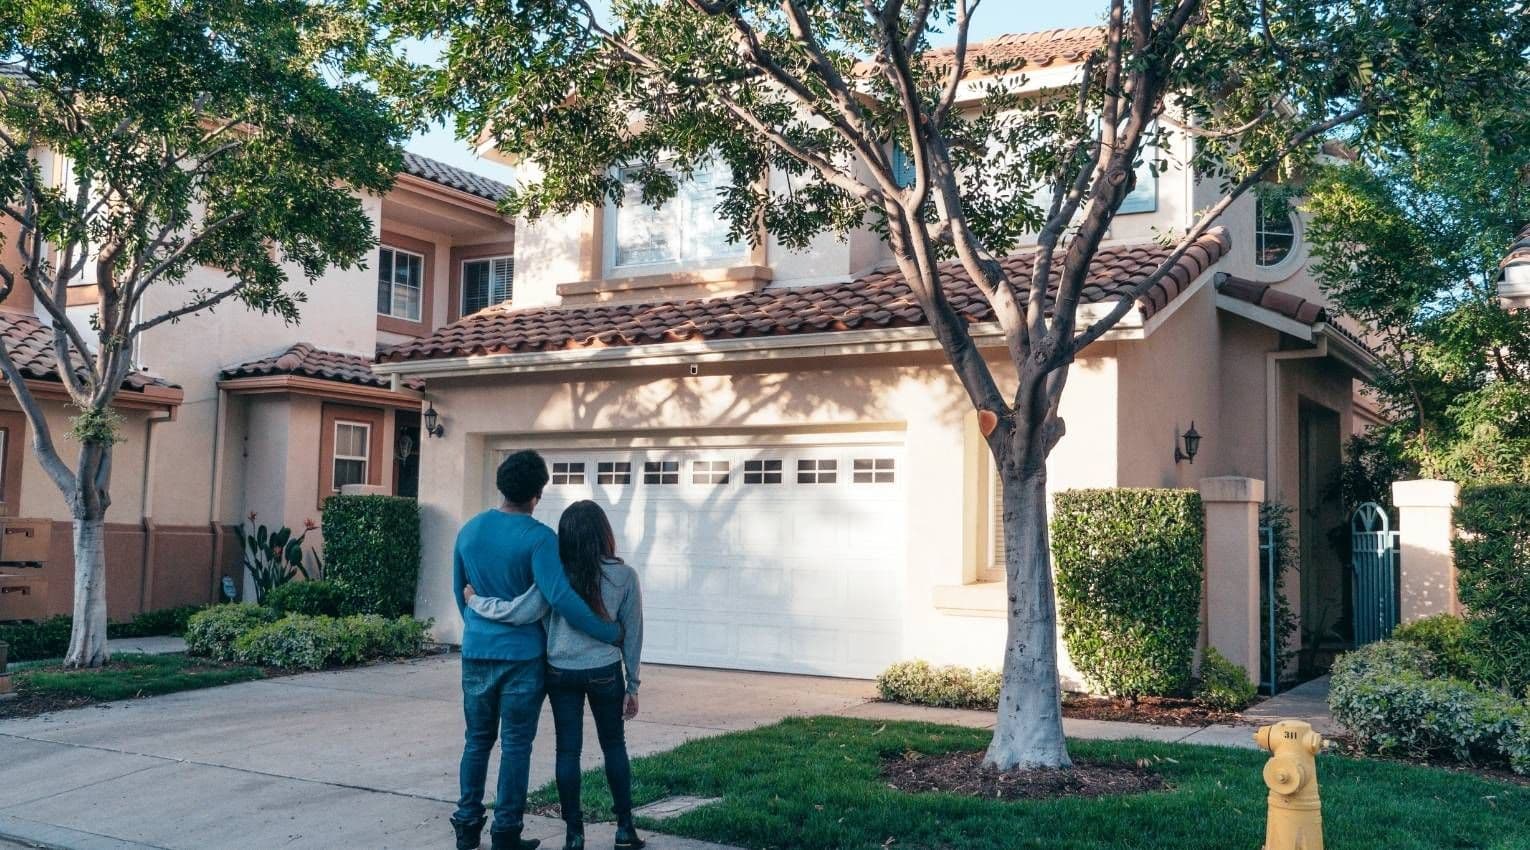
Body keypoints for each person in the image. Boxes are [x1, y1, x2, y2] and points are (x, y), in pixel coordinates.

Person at [452, 451, 623, 850]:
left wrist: (479, 628)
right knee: (515, 744)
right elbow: (561, 598)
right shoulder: (540, 539)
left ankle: (466, 825)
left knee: (476, 740)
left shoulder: (469, 531)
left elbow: (459, 593)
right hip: (523, 658)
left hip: (476, 651)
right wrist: (608, 631)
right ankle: (506, 832)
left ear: (501, 486)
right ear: (538, 493)